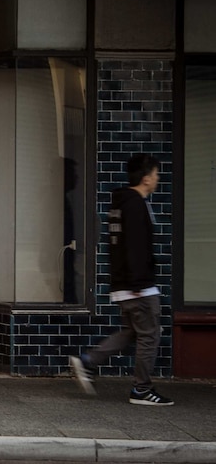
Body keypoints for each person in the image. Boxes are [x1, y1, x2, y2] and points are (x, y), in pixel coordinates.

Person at [69, 153, 173, 406]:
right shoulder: (135, 204)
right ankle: (141, 389)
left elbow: (119, 247)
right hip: (139, 287)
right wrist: (138, 284)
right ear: (147, 178)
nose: (158, 178)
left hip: (125, 285)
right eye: (157, 174)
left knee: (131, 332)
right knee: (149, 335)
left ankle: (88, 361)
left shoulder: (121, 204)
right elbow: (135, 248)